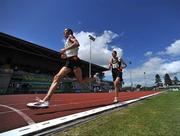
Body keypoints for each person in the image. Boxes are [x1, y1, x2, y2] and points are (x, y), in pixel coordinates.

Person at [27, 28, 100, 108]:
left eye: (65, 31)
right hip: (70, 61)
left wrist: (64, 49)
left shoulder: (71, 36)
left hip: (75, 61)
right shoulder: (67, 41)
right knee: (57, 77)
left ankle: (94, 78)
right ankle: (46, 100)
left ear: (69, 32)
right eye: (64, 32)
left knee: (80, 81)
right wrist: (65, 55)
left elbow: (77, 44)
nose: (63, 33)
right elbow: (71, 51)